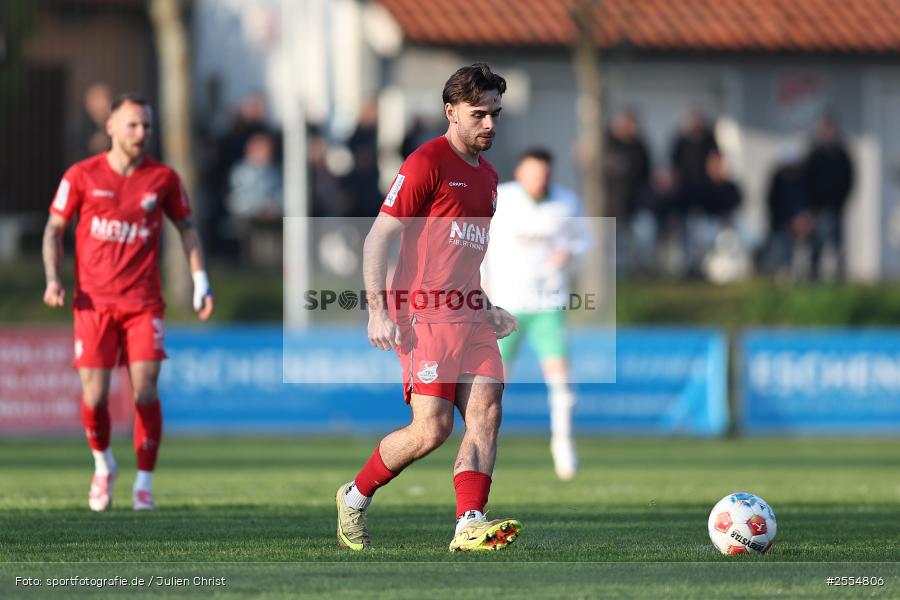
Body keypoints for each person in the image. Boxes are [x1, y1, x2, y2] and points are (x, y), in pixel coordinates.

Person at [335, 64, 523, 552]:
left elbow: (463, 254)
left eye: (495, 114)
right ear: (451, 112)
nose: (490, 124)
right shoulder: (426, 163)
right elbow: (378, 239)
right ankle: (354, 497)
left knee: (488, 409)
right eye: (479, 114)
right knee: (432, 429)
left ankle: (469, 523)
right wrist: (377, 310)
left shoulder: (490, 179)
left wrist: (487, 306)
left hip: (470, 316)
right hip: (424, 316)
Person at [42, 93, 214, 512]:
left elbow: (187, 230)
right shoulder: (81, 175)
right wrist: (52, 278)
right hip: (93, 304)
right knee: (96, 397)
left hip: (143, 303)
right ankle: (103, 466)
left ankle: (144, 483)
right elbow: (53, 229)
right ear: (111, 127)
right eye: (133, 125)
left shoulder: (164, 179)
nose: (142, 133)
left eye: (147, 126)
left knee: (145, 387)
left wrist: (200, 281)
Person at [482, 148, 591, 480]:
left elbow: (586, 240)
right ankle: (482, 448)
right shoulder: (503, 199)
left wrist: (568, 252)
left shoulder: (566, 203)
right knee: (493, 384)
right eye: (532, 173)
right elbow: (480, 240)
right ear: (520, 172)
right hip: (507, 304)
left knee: (560, 378)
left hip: (548, 303)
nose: (538, 179)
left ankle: (562, 444)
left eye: (543, 173)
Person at [805, 114, 854, 279]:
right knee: (816, 244)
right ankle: (814, 276)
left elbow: (849, 180)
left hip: (836, 207)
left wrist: (841, 201)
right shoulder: (815, 154)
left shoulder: (841, 154)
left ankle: (840, 276)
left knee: (837, 244)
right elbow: (807, 180)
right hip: (817, 208)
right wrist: (811, 205)